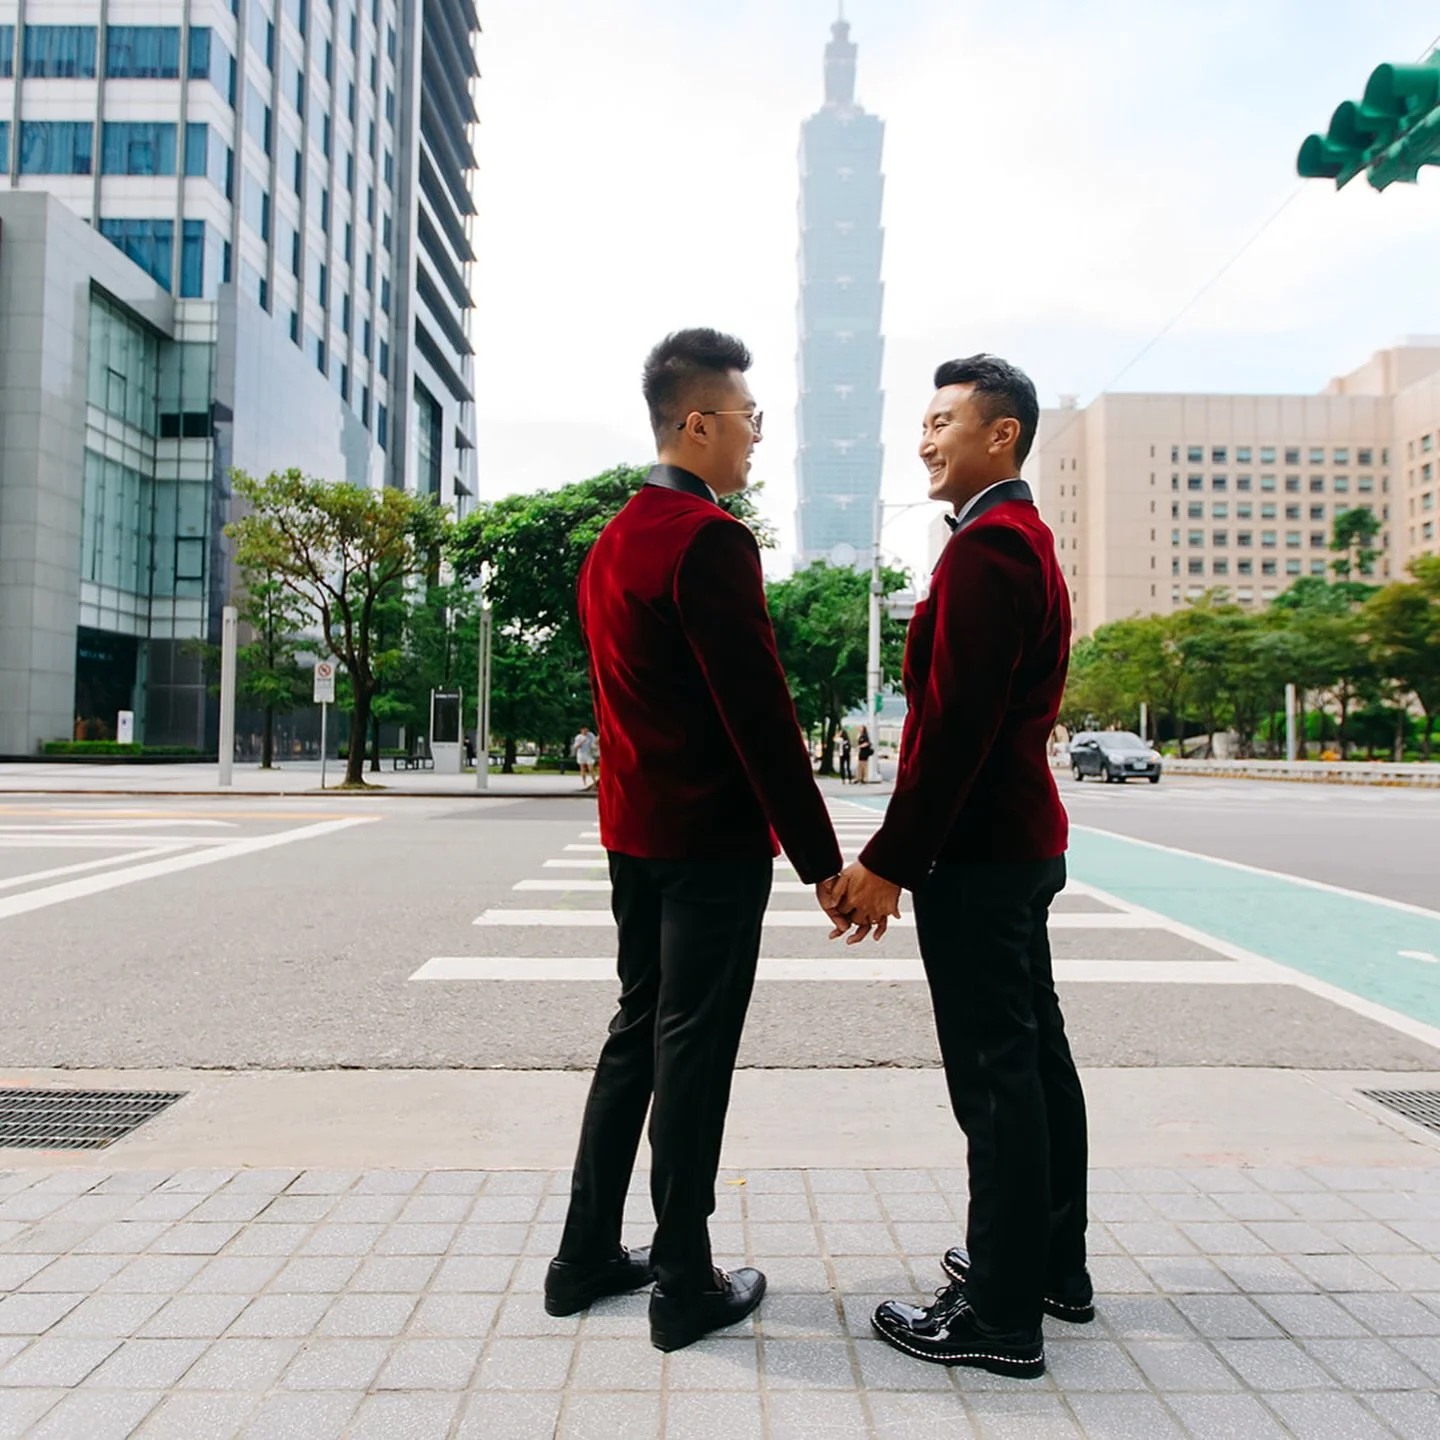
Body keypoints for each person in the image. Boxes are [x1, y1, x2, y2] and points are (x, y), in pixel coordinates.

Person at [545, 328, 845, 1353]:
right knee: (694, 1049)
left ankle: (584, 1254)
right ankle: (682, 1279)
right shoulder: (708, 539)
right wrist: (823, 864)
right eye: (751, 420)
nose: (758, 439)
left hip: (635, 837)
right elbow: (759, 717)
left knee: (639, 1030)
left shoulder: (614, 538)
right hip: (712, 843)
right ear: (701, 422)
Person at [829, 355, 1088, 1381]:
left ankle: (997, 1311)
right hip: (1018, 842)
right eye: (923, 423)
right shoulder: (1015, 539)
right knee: (1034, 1068)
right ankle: (1045, 1266)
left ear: (1003, 436)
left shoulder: (987, 551)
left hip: (982, 853)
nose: (925, 439)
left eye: (943, 421)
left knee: (997, 1082)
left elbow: (955, 727)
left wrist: (891, 859)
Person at [572, 724, 599, 788]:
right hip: (581, 754)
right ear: (581, 730)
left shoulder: (590, 735)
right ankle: (584, 782)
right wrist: (581, 743)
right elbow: (576, 747)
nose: (586, 731)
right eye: (584, 730)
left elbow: (595, 741)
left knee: (591, 768)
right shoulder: (578, 737)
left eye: (586, 730)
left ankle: (594, 782)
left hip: (588, 753)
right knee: (582, 768)